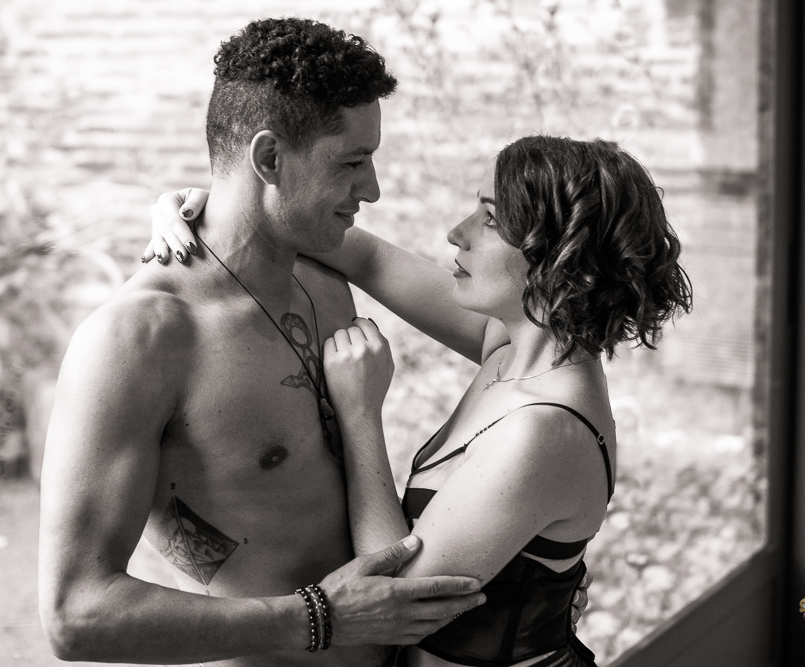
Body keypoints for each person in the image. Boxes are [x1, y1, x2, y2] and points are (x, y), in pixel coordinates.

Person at [37, 18, 492, 667]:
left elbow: (514, 334)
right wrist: (320, 618)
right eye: (352, 162)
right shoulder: (139, 340)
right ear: (270, 159)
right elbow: (75, 615)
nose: (373, 189)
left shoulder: (322, 276)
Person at [146, 134, 693, 666]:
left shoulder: (545, 429)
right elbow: (367, 259)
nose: (457, 234)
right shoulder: (508, 347)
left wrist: (360, 413)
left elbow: (393, 601)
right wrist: (210, 208)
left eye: (490, 219)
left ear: (559, 256)